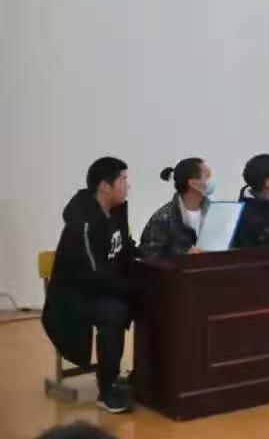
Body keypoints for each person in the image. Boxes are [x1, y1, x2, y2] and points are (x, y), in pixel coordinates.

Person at [42, 157, 137, 414]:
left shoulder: (117, 211)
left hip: (102, 288)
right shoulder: (83, 222)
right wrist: (130, 288)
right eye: (123, 180)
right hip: (74, 297)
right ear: (105, 186)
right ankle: (107, 390)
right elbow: (94, 275)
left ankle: (144, 374)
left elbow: (126, 248)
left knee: (154, 297)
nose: (127, 185)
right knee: (114, 311)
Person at [139, 157, 216, 258]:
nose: (213, 180)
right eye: (208, 176)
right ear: (193, 183)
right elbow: (148, 257)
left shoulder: (215, 211)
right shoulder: (164, 218)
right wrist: (183, 257)